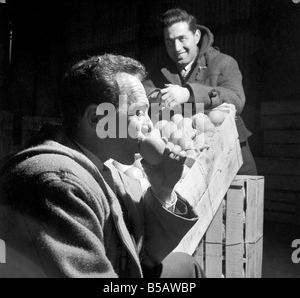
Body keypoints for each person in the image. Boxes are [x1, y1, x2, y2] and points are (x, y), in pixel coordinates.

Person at [0, 54, 205, 278]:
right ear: (97, 119)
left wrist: (163, 189)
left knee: (184, 265)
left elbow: (142, 258)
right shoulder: (59, 182)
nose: (149, 125)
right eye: (138, 112)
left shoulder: (106, 171)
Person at [143, 8, 257, 175]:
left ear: (196, 36)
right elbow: (143, 89)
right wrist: (158, 96)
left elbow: (236, 99)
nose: (177, 47)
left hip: (230, 156)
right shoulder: (160, 70)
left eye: (182, 39)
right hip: (188, 159)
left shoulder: (223, 63)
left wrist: (188, 93)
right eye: (169, 42)